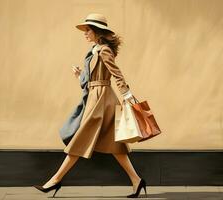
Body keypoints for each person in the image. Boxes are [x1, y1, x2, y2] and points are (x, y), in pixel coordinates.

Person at [33, 13, 147, 198]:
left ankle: (55, 180)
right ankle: (136, 180)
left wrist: (126, 94)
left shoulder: (103, 50)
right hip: (95, 97)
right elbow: (92, 81)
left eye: (88, 30)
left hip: (102, 100)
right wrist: (80, 76)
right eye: (85, 30)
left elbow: (116, 73)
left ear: (97, 32)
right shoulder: (94, 50)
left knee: (80, 139)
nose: (85, 33)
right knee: (115, 145)